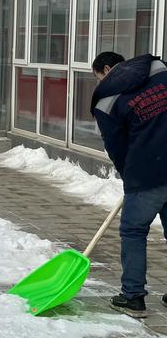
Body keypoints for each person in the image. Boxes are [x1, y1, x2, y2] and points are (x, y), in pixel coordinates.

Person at [91, 51, 167, 318]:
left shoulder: (106, 100)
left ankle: (133, 297)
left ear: (107, 69)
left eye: (98, 76)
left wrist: (130, 176)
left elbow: (116, 147)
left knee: (134, 232)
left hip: (146, 174)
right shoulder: (159, 69)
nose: (98, 82)